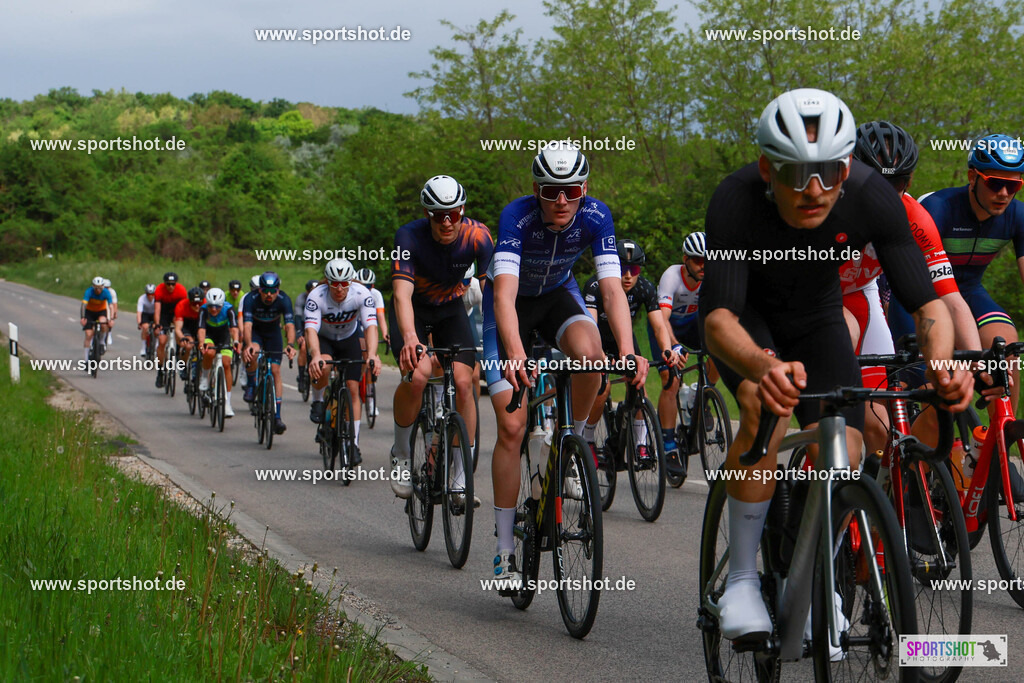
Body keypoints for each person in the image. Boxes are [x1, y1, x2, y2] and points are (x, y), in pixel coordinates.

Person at [698, 88, 972, 645]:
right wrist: (760, 365)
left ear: (848, 166)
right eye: (796, 174)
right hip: (749, 319)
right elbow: (718, 319)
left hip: (817, 317)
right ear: (766, 167)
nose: (815, 189)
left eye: (829, 171)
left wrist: (943, 366)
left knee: (845, 451)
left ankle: (812, 562)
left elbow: (929, 307)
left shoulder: (872, 197)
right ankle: (745, 580)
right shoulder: (736, 198)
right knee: (762, 404)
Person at [483, 144, 649, 590]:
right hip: (511, 308)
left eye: (571, 190)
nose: (561, 200)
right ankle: (503, 552)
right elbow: (503, 296)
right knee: (512, 428)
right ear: (536, 190)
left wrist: (630, 351)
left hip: (557, 297)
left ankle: (573, 442)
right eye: (551, 191)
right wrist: (515, 353)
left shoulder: (596, 216)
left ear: (584, 190)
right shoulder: (516, 217)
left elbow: (612, 291)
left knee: (593, 357)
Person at [842, 120, 982, 454]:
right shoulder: (828, 209)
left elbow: (950, 298)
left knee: (881, 428)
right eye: (877, 181)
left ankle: (880, 498)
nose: (886, 194)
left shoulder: (915, 216)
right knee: (837, 405)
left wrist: (976, 360)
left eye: (898, 182)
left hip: (863, 295)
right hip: (817, 298)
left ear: (910, 181)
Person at [389, 175, 493, 501]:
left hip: (450, 309)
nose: (447, 222)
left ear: (463, 210)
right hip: (414, 311)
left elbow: (491, 291)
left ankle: (461, 476)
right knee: (418, 374)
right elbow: (402, 294)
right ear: (426, 213)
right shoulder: (409, 236)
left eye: (453, 214)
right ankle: (402, 453)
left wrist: (501, 335)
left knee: (465, 382)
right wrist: (409, 337)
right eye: (438, 215)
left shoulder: (478, 236)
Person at [922, 133, 1024, 410]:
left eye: (1013, 186)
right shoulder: (937, 208)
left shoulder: (1018, 215)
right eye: (995, 183)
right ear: (972, 177)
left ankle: (995, 444)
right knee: (934, 384)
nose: (1004, 194)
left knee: (1006, 349)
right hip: (926, 295)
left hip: (970, 291)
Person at [582, 239, 679, 469]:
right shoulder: (595, 286)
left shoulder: (644, 288)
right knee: (602, 387)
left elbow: (658, 326)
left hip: (623, 340)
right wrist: (601, 358)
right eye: (622, 269)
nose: (627, 275)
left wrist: (667, 349)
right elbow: (591, 326)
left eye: (633, 269)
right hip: (597, 338)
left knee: (639, 385)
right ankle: (587, 439)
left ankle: (641, 445)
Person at [652, 231, 717, 477]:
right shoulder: (672, 276)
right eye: (698, 260)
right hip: (664, 325)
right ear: (685, 260)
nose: (704, 265)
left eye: (708, 260)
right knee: (672, 379)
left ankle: (700, 397)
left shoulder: (711, 277)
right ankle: (668, 445)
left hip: (691, 324)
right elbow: (663, 319)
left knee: (718, 356)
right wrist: (674, 346)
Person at [306, 259, 381, 462]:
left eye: (344, 283)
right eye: (335, 283)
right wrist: (315, 356)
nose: (340, 288)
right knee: (323, 366)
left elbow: (370, 326)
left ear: (351, 281)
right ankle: (319, 401)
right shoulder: (316, 296)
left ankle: (353, 444)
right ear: (328, 282)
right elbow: (311, 330)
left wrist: (372, 354)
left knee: (353, 388)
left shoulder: (361, 294)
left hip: (349, 340)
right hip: (325, 340)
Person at [242, 272, 297, 434]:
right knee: (254, 352)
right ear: (259, 290)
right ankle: (251, 384)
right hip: (256, 333)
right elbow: (247, 326)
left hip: (273, 334)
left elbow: (289, 325)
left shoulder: (284, 300)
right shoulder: (250, 299)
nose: (269, 295)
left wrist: (291, 345)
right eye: (265, 290)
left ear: (278, 290)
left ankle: (277, 417)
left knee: (275, 371)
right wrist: (248, 344)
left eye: (273, 291)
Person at [196, 287, 239, 417]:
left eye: (217, 307)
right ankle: (205, 376)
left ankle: (227, 403)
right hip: (209, 334)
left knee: (226, 364)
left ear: (222, 305)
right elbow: (201, 329)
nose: (214, 309)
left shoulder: (229, 309)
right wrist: (202, 342)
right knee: (209, 353)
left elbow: (233, 328)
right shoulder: (203, 310)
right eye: (211, 306)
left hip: (224, 334)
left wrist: (236, 341)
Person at [152, 272, 187, 388]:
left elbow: (183, 308)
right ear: (165, 284)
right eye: (168, 284)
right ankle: (160, 372)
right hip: (164, 313)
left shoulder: (181, 290)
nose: (170, 286)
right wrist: (157, 324)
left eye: (173, 284)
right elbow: (157, 310)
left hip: (176, 311)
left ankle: (177, 354)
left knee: (179, 333)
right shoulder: (159, 290)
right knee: (162, 341)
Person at [80, 276, 112, 366]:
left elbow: (111, 306)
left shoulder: (106, 292)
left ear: (103, 286)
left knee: (103, 324)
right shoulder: (89, 291)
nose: (98, 290)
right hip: (89, 313)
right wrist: (83, 318)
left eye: (100, 287)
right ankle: (86, 361)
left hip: (101, 312)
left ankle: (101, 341)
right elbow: (83, 305)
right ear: (93, 287)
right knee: (88, 334)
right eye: (96, 288)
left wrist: (111, 319)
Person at [293, 279, 319, 393]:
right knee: (303, 347)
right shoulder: (301, 298)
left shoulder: (321, 298)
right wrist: (299, 333)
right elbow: (297, 316)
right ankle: (302, 376)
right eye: (311, 291)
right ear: (307, 292)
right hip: (304, 325)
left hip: (317, 326)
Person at [137, 283, 156, 356]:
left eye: (152, 294)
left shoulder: (157, 298)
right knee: (145, 327)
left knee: (156, 329)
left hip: (154, 313)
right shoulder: (142, 299)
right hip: (145, 314)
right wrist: (139, 323)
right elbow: (139, 312)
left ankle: (156, 346)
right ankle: (143, 347)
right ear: (146, 294)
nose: (150, 296)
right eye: (148, 294)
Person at [102, 278, 118, 346]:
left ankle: (109, 334)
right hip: (100, 306)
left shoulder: (112, 292)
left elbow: (114, 304)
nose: (106, 289)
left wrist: (115, 313)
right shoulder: (100, 291)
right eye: (105, 287)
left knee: (110, 319)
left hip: (109, 306)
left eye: (107, 287)